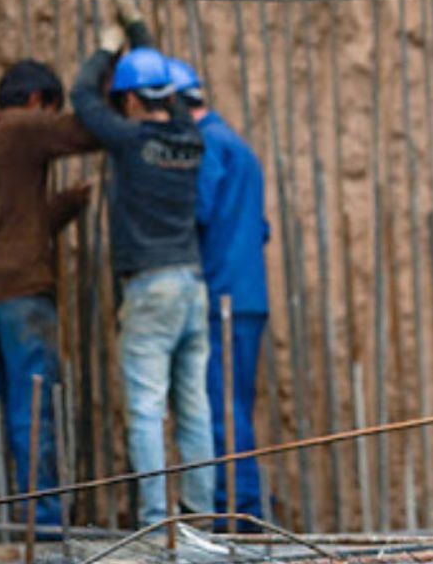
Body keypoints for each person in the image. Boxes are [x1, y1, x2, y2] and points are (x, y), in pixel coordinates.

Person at [70, 4, 213, 527]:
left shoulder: (132, 142)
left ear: (130, 99)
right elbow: (164, 87)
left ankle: (156, 520)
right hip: (191, 284)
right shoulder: (189, 138)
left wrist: (110, 46)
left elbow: (83, 98)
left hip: (151, 287)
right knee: (194, 407)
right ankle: (199, 515)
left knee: (148, 408)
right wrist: (138, 31)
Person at [0, 60, 98, 527]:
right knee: (35, 408)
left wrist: (68, 204)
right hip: (22, 292)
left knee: (18, 408)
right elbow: (85, 132)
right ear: (38, 101)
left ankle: (34, 514)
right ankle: (42, 520)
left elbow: (16, 224)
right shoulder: (22, 128)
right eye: (50, 111)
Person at [168, 57, 270, 526]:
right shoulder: (238, 146)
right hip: (247, 294)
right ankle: (242, 509)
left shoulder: (206, 144)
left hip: (221, 297)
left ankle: (238, 515)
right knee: (235, 405)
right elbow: (260, 228)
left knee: (222, 409)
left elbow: (198, 210)